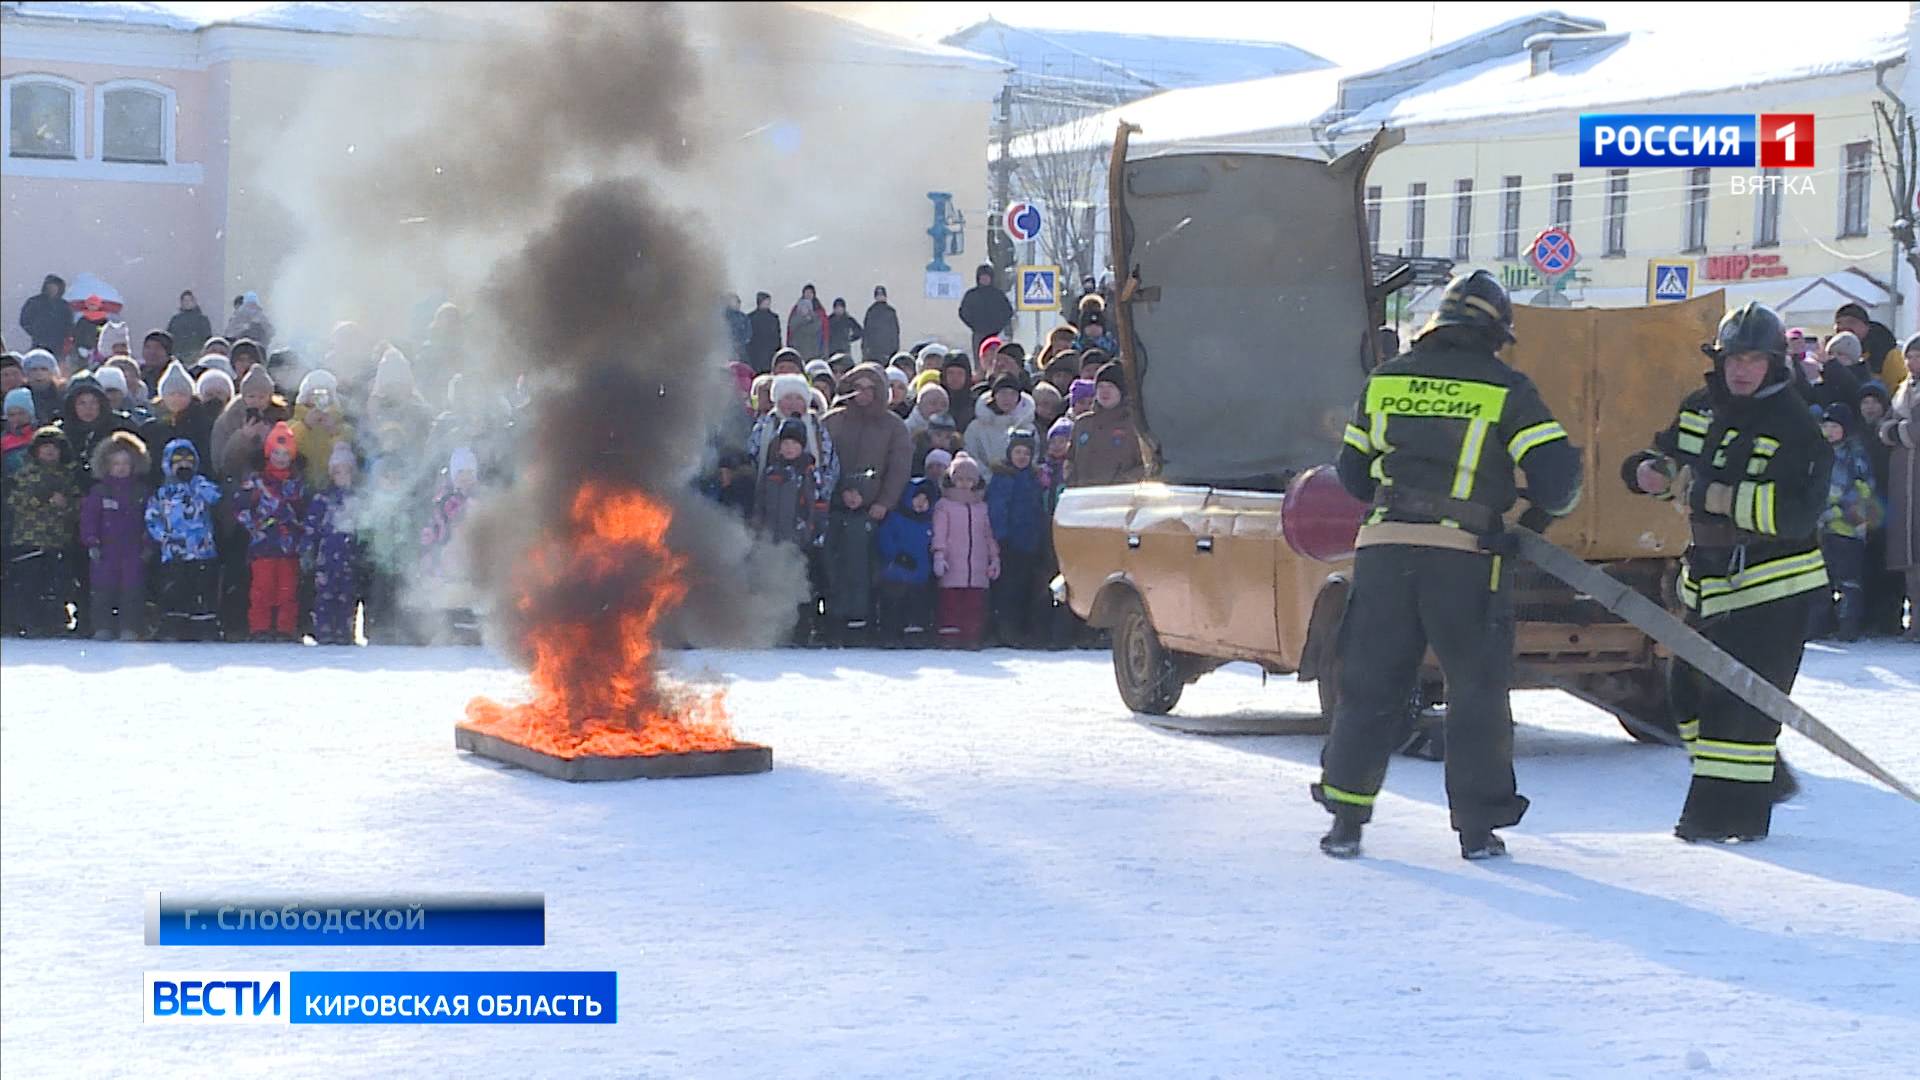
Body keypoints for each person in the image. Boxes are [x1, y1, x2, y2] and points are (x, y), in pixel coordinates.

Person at [1316, 270, 1582, 860]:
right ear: (1494, 333)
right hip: (1465, 560)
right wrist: (1526, 527)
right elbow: (1560, 484)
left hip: (1383, 552)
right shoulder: (1506, 388)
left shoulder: (1385, 382)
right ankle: (1478, 830)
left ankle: (1345, 821)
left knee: (1368, 687)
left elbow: (1354, 476)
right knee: (1476, 691)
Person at [1623, 301, 1830, 843]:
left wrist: (1712, 495)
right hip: (1708, 580)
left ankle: (1720, 820)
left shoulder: (1796, 426)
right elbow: (1668, 455)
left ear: (1774, 363)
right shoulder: (1701, 407)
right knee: (1685, 695)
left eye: (1752, 360)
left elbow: (1794, 514)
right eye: (1732, 358)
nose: (1740, 369)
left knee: (1737, 707)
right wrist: (1647, 469)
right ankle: (1764, 781)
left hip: (1773, 585)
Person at [232, 421, 308, 641]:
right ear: (268, 453)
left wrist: (300, 527)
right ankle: (260, 628)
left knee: (288, 590)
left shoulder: (298, 483)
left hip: (289, 547)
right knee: (262, 589)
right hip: (263, 545)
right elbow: (239, 506)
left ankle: (285, 629)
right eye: (276, 452)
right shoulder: (257, 481)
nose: (281, 458)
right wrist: (254, 524)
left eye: (286, 453)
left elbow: (305, 511)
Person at [1808, 403, 1877, 641]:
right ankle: (1820, 623)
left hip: (1847, 529)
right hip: (1822, 528)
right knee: (1820, 579)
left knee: (1848, 581)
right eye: (1826, 425)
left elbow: (1863, 490)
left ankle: (1849, 625)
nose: (1829, 431)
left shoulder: (1855, 455)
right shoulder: (1819, 453)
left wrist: (1837, 511)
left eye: (1834, 426)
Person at [3, 426, 79, 636]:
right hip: (28, 539)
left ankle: (54, 620)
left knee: (55, 584)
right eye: (45, 447)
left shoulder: (68, 476)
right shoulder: (24, 474)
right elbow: (13, 500)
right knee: (28, 583)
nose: (50, 452)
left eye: (54, 448)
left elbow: (78, 505)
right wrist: (41, 499)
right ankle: (27, 620)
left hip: (57, 539)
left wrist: (66, 505)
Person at [145, 438, 223, 640]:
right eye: (178, 460)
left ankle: (204, 625)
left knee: (203, 589)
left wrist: (195, 482)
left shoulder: (199, 486)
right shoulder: (162, 493)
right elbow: (152, 518)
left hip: (202, 551)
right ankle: (174, 624)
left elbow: (216, 496)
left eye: (188, 460)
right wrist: (164, 538)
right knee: (175, 589)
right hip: (175, 552)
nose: (183, 464)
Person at [80, 430, 150, 641]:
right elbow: (89, 518)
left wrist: (148, 544)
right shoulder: (99, 492)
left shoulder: (141, 492)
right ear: (106, 466)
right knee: (102, 591)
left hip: (133, 550)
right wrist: (91, 541)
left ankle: (130, 627)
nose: (121, 469)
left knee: (132, 591)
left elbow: (152, 519)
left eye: (125, 464)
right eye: (116, 464)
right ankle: (102, 626)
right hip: (105, 551)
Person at [986, 427, 1048, 646]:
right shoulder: (1003, 478)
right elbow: (997, 509)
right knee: (1008, 589)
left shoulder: (1033, 479)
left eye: (1026, 453)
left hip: (1029, 542)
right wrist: (1001, 536)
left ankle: (1024, 629)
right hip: (1009, 542)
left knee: (1025, 587)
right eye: (1018, 452)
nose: (1022, 457)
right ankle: (1006, 629)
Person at [931, 452, 997, 648]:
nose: (964, 484)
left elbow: (988, 534)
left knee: (974, 603)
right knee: (951, 602)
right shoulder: (944, 505)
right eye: (959, 479)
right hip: (953, 563)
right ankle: (950, 635)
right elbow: (939, 532)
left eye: (969, 479)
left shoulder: (981, 507)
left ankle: (971, 635)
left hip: (977, 565)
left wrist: (994, 558)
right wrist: (939, 554)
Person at [305, 441, 365, 646]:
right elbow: (312, 525)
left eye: (347, 471)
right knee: (325, 595)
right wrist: (307, 548)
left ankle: (345, 630)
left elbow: (363, 526)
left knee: (347, 596)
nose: (343, 476)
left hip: (349, 557)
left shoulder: (358, 498)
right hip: (327, 556)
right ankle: (324, 629)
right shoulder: (323, 498)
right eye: (338, 471)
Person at [1879, 344, 1919, 641]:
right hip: (1904, 478)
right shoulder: (1903, 389)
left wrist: (1899, 432)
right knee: (1908, 554)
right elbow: (1886, 426)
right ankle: (1915, 620)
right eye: (1911, 356)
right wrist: (1897, 431)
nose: (1914, 361)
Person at [874, 478, 937, 647]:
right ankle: (889, 634)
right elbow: (885, 538)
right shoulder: (896, 517)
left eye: (926, 500)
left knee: (916, 605)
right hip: (896, 571)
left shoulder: (929, 522)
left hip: (920, 574)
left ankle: (915, 632)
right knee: (893, 604)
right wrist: (896, 555)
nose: (921, 504)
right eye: (918, 498)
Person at [1067, 363, 1145, 487]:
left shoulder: (1135, 425)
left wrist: (1123, 481)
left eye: (1111, 386)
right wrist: (1072, 481)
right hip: (1083, 495)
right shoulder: (1083, 423)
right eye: (1100, 386)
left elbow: (1145, 465)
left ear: (1122, 391)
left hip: (1119, 497)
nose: (1105, 391)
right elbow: (1070, 459)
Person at [964, 374, 1036, 481]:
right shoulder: (976, 427)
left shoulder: (1028, 427)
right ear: (994, 396)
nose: (1007, 398)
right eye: (1003, 393)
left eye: (1013, 394)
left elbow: (1034, 457)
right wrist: (990, 478)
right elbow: (971, 455)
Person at [1833, 302, 1910, 389]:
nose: (1844, 327)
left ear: (1866, 326)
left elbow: (1899, 391)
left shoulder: (1888, 354)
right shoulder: (1831, 355)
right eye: (1839, 323)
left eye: (1851, 322)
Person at [958, 264, 1013, 362]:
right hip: (978, 333)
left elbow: (1008, 312)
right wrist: (974, 325)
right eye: (982, 277)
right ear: (978, 278)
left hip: (995, 334)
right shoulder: (972, 295)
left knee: (995, 358)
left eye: (987, 277)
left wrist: (999, 327)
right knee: (979, 359)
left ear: (991, 278)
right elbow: (963, 312)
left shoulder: (998, 295)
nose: (984, 280)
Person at [19, 275, 73, 355]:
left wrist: (65, 335)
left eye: (55, 287)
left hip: (58, 343)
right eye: (50, 287)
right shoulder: (34, 302)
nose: (52, 289)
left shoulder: (64, 306)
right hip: (39, 341)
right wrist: (35, 331)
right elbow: (24, 320)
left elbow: (69, 323)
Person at [166, 291, 213, 361]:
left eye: (189, 300)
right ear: (181, 303)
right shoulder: (175, 320)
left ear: (194, 302)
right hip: (178, 356)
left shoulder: (202, 320)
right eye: (185, 300)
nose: (187, 303)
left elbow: (207, 338)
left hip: (196, 356)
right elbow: (169, 338)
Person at [21, 349, 63, 423]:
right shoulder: (20, 396)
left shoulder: (62, 395)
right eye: (34, 369)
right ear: (26, 373)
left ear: (52, 372)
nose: (39, 373)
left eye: (44, 369)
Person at [939, 352, 978, 433]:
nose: (955, 378)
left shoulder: (976, 405)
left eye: (960, 373)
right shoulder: (935, 400)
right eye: (950, 373)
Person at [787, 285, 828, 359]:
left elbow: (824, 329)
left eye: (810, 293)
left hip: (815, 348)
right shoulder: (796, 310)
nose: (808, 295)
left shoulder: (819, 310)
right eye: (806, 292)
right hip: (798, 346)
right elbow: (791, 327)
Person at [862, 286, 900, 365]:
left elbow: (895, 332)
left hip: (887, 351)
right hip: (873, 352)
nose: (880, 297)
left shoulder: (890, 312)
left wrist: (894, 349)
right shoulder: (871, 311)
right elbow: (866, 332)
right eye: (878, 295)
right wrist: (865, 349)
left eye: (882, 295)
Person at [747, 292, 781, 374]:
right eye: (766, 301)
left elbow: (777, 335)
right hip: (756, 351)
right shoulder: (751, 317)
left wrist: (778, 348)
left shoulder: (774, 317)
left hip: (770, 351)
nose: (768, 303)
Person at [723, 293, 752, 366]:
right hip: (727, 347)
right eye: (735, 302)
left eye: (738, 302)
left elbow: (748, 332)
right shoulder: (724, 317)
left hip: (741, 348)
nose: (738, 304)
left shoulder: (743, 317)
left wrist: (744, 340)